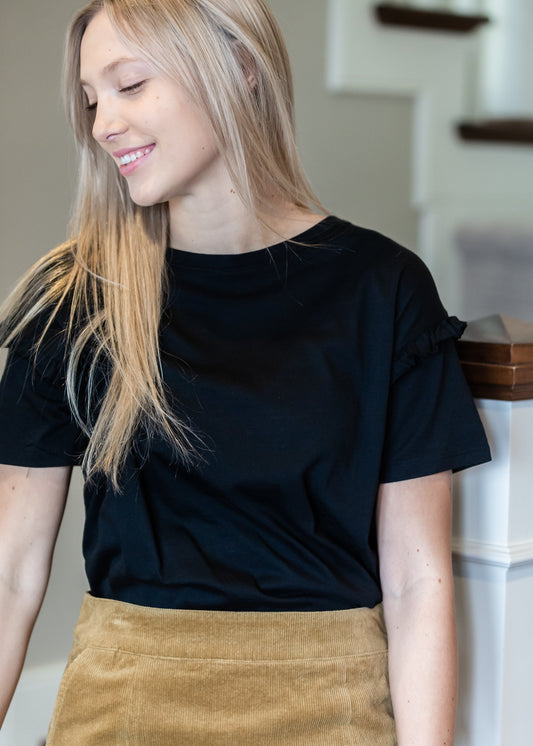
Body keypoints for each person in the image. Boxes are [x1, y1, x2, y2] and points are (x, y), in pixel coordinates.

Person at [0, 0, 490, 744]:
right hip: (124, 706)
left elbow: (417, 584)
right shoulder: (74, 300)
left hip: (332, 706)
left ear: (239, 67)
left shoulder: (382, 289)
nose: (103, 124)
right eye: (92, 99)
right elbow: (10, 576)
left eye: (130, 85)